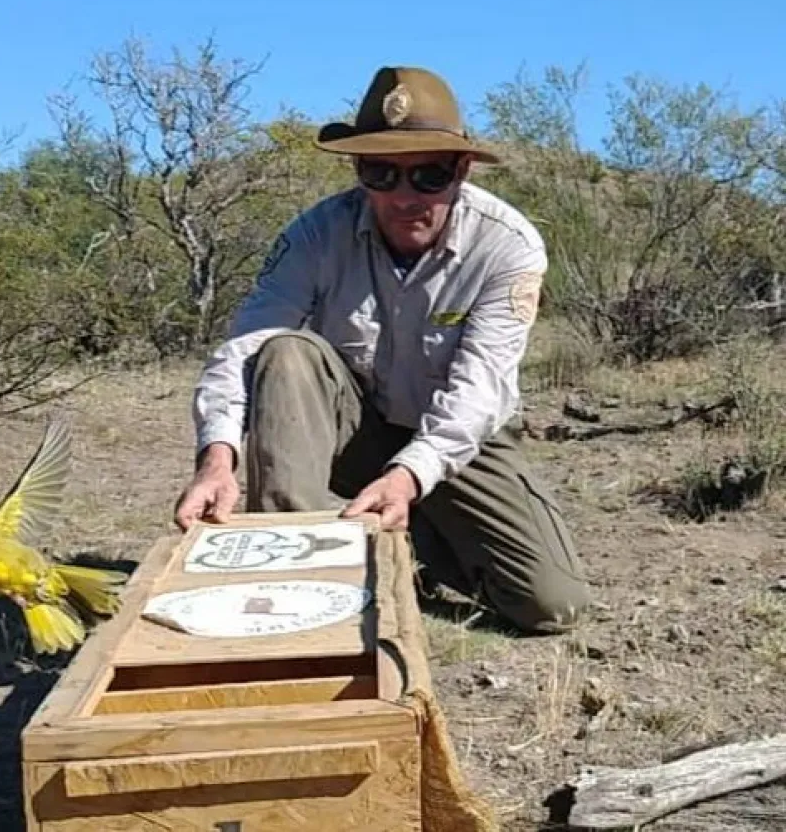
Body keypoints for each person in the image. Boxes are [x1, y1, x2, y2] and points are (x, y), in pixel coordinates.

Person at [173, 66, 591, 633]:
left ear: (461, 170)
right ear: (358, 170)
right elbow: (246, 346)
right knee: (286, 353)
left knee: (552, 603)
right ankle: (289, 570)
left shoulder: (506, 246)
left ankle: (410, 545)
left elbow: (478, 393)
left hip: (453, 439)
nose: (403, 197)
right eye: (381, 173)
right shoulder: (315, 234)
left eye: (429, 175)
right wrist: (217, 458)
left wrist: (410, 475)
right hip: (355, 429)